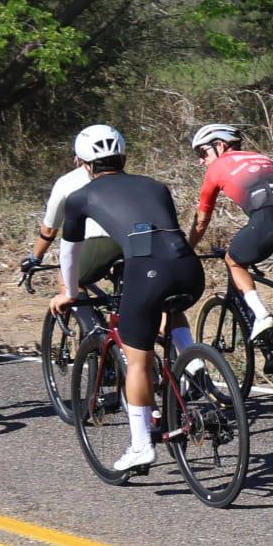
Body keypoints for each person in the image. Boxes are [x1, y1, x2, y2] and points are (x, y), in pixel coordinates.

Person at [48, 125, 206, 472]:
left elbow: (70, 255)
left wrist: (70, 293)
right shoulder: (156, 186)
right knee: (171, 310)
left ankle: (140, 446)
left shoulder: (80, 197)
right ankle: (193, 362)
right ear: (124, 157)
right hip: (189, 268)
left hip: (147, 270)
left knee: (138, 361)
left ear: (82, 163)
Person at [185, 123, 273, 340]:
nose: (200, 160)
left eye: (202, 152)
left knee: (233, 260)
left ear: (220, 145)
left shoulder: (216, 168)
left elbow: (201, 220)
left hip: (268, 218)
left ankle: (262, 315)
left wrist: (188, 248)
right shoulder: (260, 157)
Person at [23, 134, 120, 321]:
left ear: (79, 157)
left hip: (95, 245)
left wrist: (34, 258)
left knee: (67, 277)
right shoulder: (130, 180)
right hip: (134, 242)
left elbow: (49, 230)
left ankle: (91, 330)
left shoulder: (67, 182)